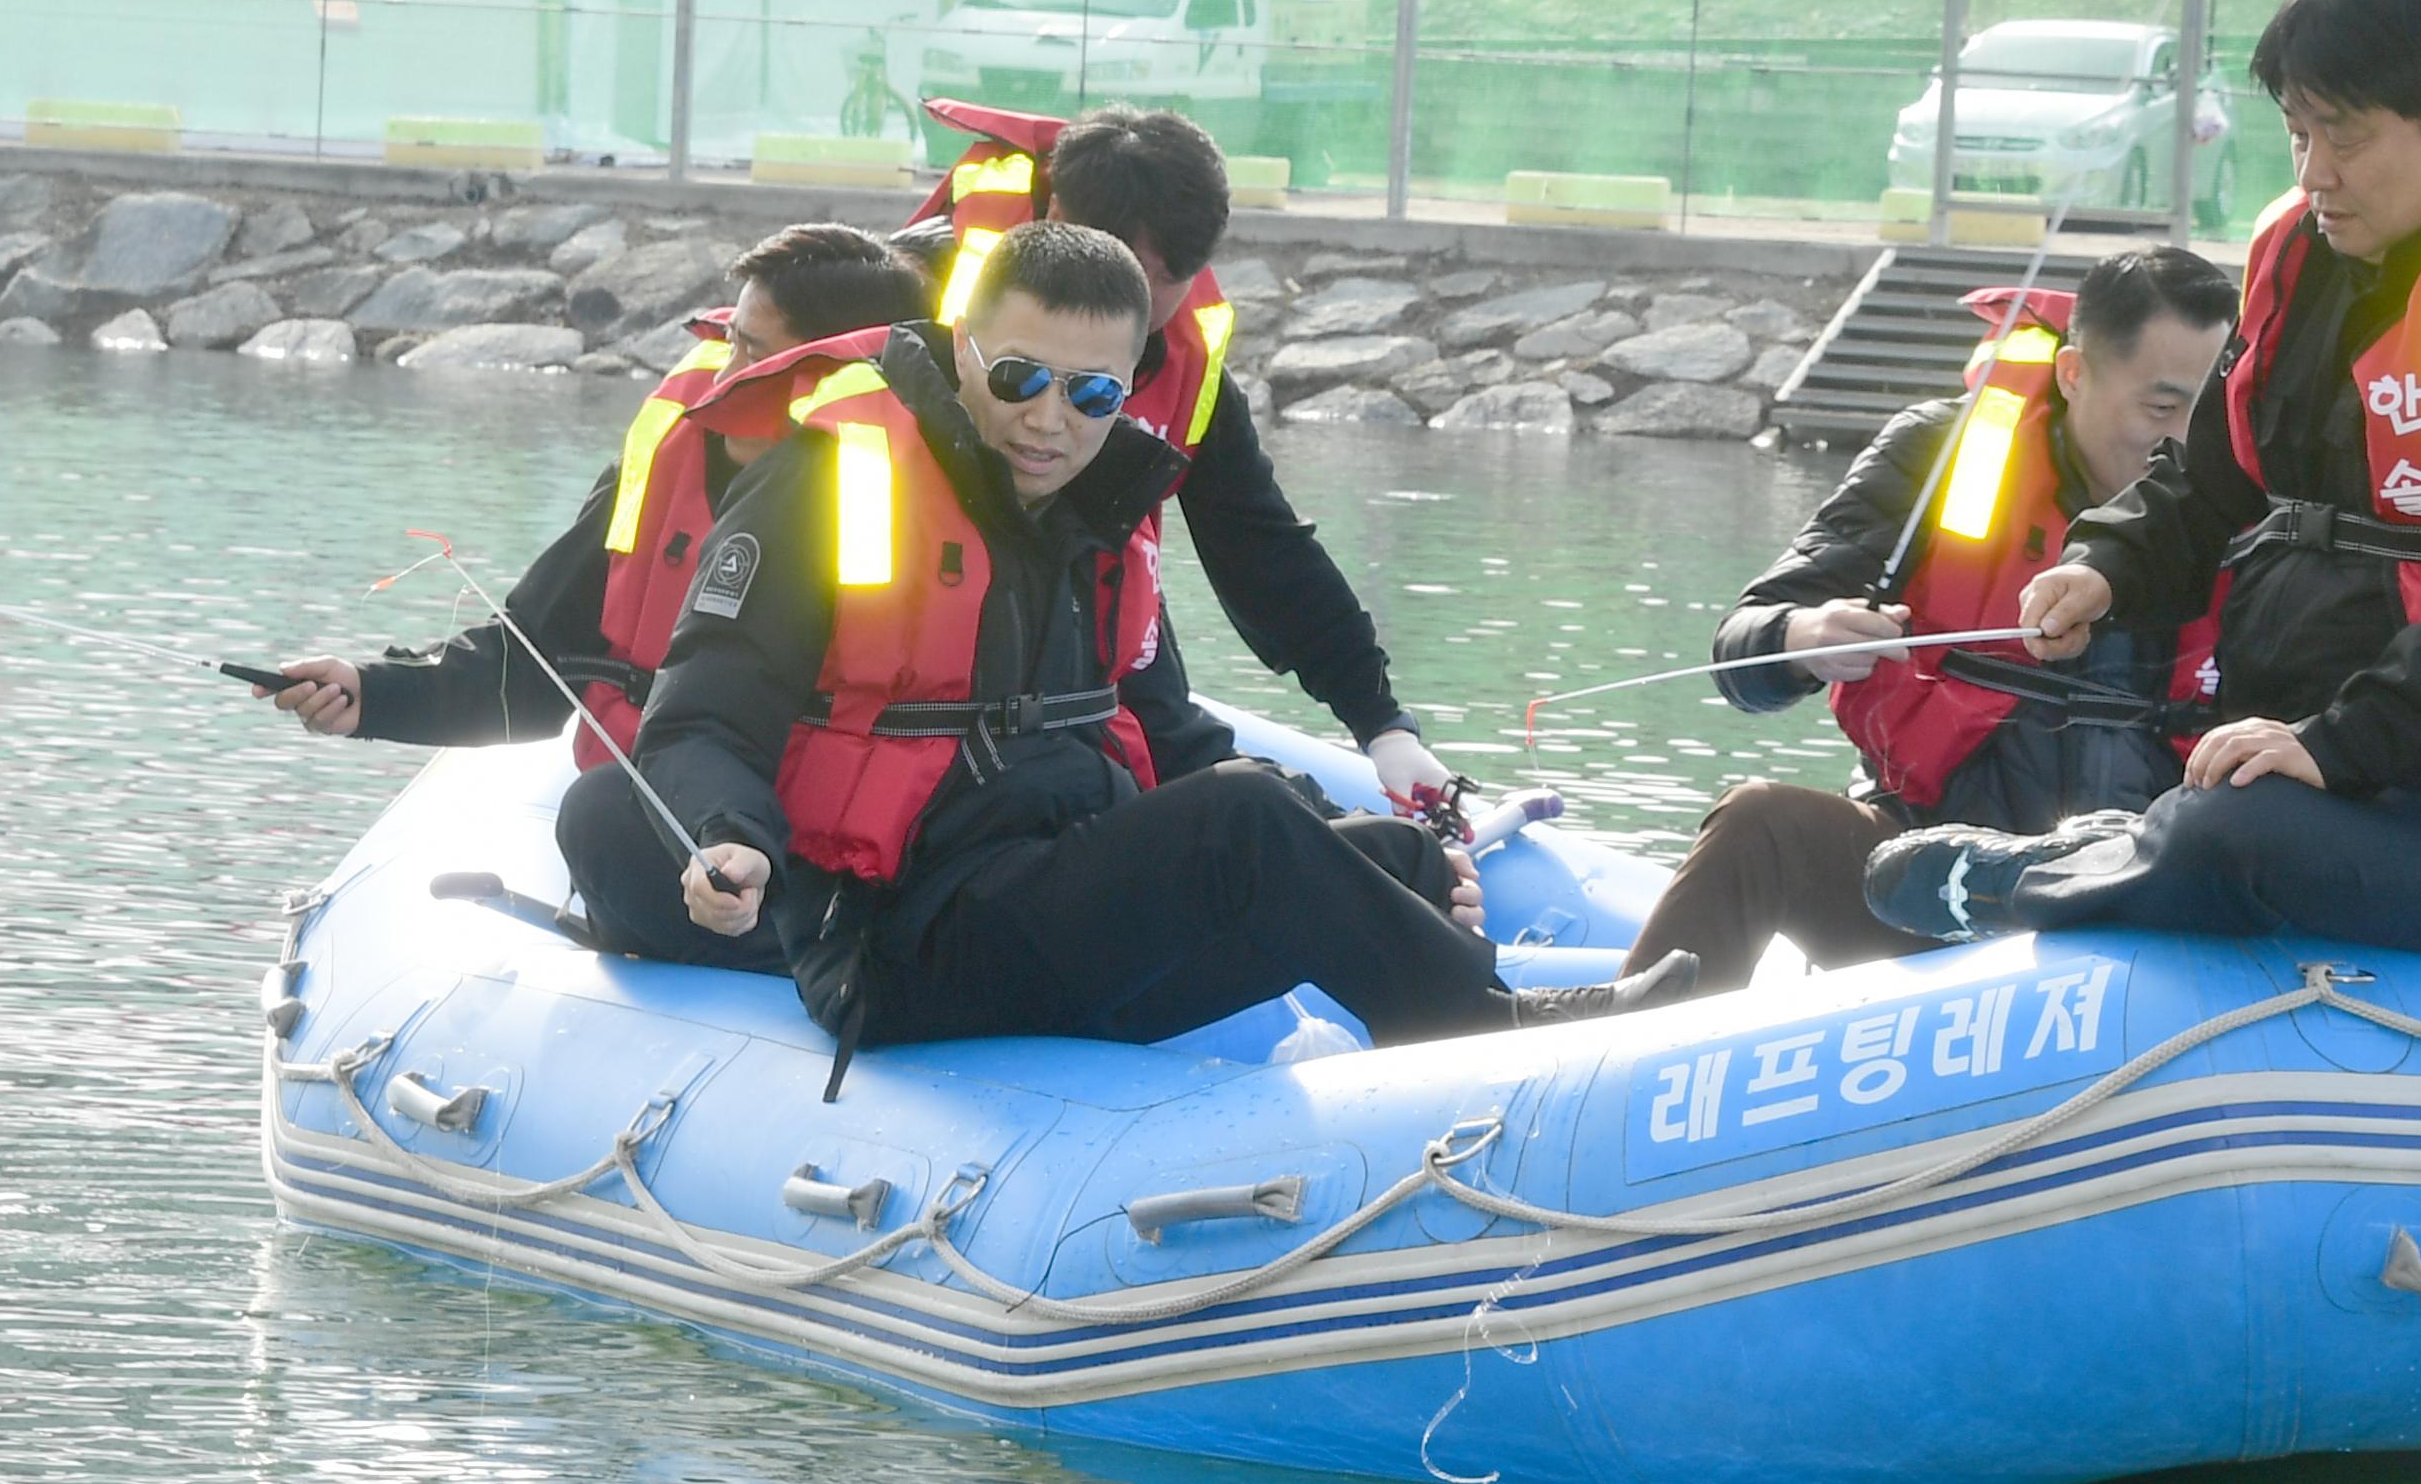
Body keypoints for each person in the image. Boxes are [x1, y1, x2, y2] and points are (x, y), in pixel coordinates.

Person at [566, 218, 1695, 1073]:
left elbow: (1155, 724)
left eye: (1092, 390)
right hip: (897, 934)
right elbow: (706, 709)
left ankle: (1474, 1002)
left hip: (1039, 873)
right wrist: (732, 839)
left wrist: (1343, 805)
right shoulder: (834, 479)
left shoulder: (1099, 507)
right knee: (1247, 819)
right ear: (963, 346)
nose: (1049, 418)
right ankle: (1481, 1033)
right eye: (1019, 377)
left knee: (1373, 856)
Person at [1865, 0, 2421, 963]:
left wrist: (2335, 745)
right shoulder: (2318, 256)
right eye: (2297, 134)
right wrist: (2106, 561)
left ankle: (2028, 878)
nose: (2316, 173)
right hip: (2305, 765)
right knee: (2222, 810)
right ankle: (2130, 848)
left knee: (2228, 835)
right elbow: (2215, 472)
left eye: (2348, 139)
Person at [1620, 246, 2236, 990]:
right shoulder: (1937, 456)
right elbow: (1739, 651)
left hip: (2143, 896)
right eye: (2162, 408)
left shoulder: (2247, 497)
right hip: (1923, 880)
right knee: (1759, 823)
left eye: (2208, 414)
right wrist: (1802, 637)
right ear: (2074, 375)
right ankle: (1609, 1068)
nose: (2184, 443)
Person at [899, 100, 1452, 805]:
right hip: (919, 648)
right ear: (1060, 218)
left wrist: (1381, 723)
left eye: (1176, 276)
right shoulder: (915, 295)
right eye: (1021, 379)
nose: (1150, 303)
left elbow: (1262, 545)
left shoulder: (1186, 361)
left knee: (1239, 792)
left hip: (1089, 626)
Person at [262, 222, 921, 761]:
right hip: (666, 832)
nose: (724, 379)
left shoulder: (942, 514)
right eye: (728, 345)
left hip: (833, 863)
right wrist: (369, 694)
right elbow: (535, 662)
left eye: (756, 356)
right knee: (599, 817)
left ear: (845, 376)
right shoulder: (663, 470)